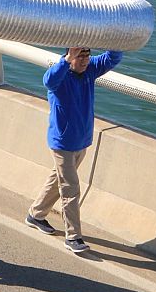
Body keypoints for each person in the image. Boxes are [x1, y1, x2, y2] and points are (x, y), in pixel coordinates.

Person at [28, 46, 124, 254]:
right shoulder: (60, 79)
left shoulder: (90, 71)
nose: (84, 61)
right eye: (79, 57)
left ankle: (36, 214)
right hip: (62, 143)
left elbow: (113, 56)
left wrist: (114, 37)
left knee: (58, 180)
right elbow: (48, 80)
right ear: (69, 57)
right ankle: (73, 236)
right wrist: (66, 60)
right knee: (71, 188)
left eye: (87, 57)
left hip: (81, 141)